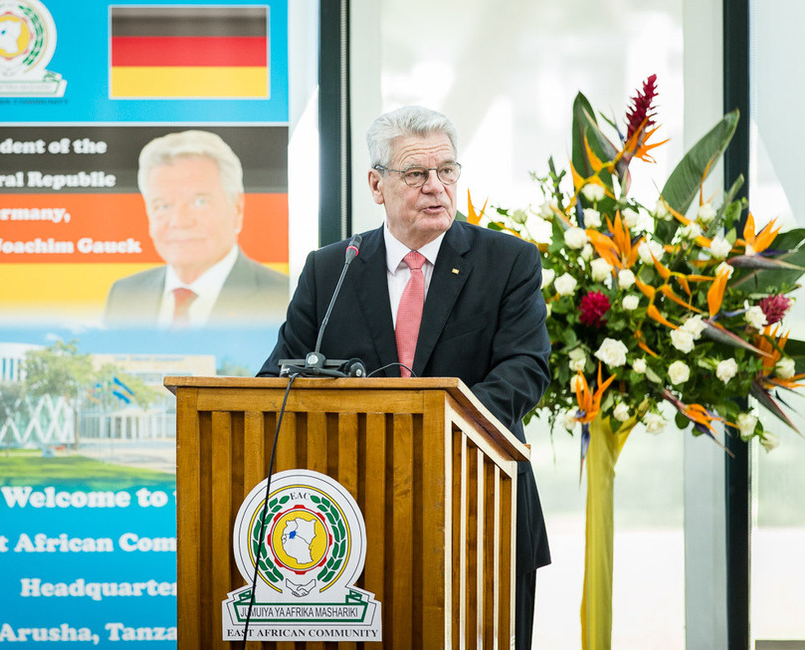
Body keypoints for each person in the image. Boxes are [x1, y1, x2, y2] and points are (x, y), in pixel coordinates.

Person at [258, 106, 550, 649]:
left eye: (447, 170)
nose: (435, 187)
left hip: (478, 506)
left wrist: (436, 429)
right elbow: (279, 376)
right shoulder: (332, 267)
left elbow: (524, 369)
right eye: (416, 174)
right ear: (377, 184)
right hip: (350, 517)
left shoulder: (507, 261)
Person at [104, 130, 288, 328]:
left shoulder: (284, 295)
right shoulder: (124, 294)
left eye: (200, 202)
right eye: (163, 206)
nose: (180, 221)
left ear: (237, 207)